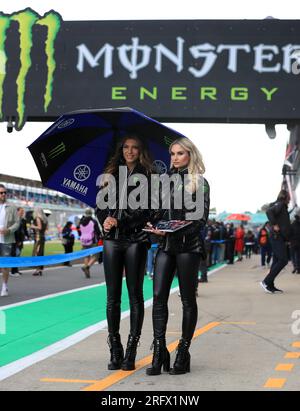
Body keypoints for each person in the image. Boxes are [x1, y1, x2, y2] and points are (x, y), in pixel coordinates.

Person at [145, 138, 210, 376]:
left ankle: (183, 351)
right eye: (172, 153)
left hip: (189, 247)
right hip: (165, 245)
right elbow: (158, 213)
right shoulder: (164, 182)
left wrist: (173, 228)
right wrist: (154, 224)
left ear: (190, 155)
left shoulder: (200, 183)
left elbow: (200, 221)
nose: (174, 157)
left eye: (180, 153)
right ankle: (159, 350)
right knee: (158, 297)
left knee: (187, 300)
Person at [95, 134, 152, 371]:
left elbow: (147, 211)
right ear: (121, 150)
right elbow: (99, 206)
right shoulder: (110, 175)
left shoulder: (149, 177)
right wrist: (105, 220)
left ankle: (131, 350)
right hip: (112, 242)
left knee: (135, 295)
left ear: (140, 151)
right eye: (126, 147)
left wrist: (120, 220)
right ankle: (115, 349)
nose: (130, 151)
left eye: (134, 148)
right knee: (112, 297)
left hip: (136, 240)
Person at [261, 189, 291, 293]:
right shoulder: (280, 204)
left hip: (279, 237)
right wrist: (274, 224)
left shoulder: (281, 205)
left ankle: (270, 284)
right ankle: (266, 281)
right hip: (276, 236)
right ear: (285, 196)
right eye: (289, 196)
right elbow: (269, 212)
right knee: (283, 260)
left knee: (277, 261)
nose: (290, 198)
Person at [0, 184, 19, 297]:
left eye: (4, 192)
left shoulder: (12, 206)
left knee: (5, 265)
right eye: (1, 193)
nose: (3, 194)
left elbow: (17, 223)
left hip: (6, 240)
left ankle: (4, 286)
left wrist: (9, 230)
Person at [77, 208, 101, 278]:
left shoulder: (81, 221)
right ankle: (87, 266)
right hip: (92, 240)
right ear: (91, 213)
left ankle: (86, 269)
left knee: (86, 255)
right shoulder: (93, 221)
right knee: (96, 255)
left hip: (83, 240)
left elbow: (79, 230)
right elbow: (98, 231)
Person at [10, 207, 29, 277]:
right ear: (17, 212)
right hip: (15, 240)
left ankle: (16, 270)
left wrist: (28, 236)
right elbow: (14, 231)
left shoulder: (23, 220)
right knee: (14, 255)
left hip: (21, 240)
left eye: (23, 211)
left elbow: (25, 230)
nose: (22, 212)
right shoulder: (14, 220)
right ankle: (13, 271)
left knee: (18, 255)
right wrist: (17, 241)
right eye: (21, 211)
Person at [31, 207, 48, 276]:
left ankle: (37, 270)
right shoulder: (45, 219)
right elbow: (46, 228)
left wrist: (33, 226)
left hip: (38, 237)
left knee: (37, 252)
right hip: (42, 236)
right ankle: (40, 269)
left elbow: (39, 227)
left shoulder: (38, 218)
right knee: (41, 252)